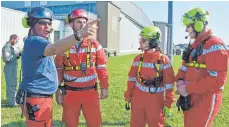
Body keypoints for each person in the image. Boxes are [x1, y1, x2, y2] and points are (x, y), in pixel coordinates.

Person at [16, 7, 99, 127]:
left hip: (40, 97)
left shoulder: (39, 41)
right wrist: (79, 35)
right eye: (42, 23)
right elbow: (55, 48)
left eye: (49, 23)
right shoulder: (34, 41)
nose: (48, 27)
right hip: (37, 98)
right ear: (31, 24)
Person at [55, 9, 109, 127]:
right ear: (71, 24)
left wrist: (104, 87)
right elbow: (59, 69)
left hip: (90, 92)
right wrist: (58, 90)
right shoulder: (64, 44)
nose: (82, 25)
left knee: (94, 123)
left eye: (84, 22)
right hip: (70, 93)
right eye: (79, 22)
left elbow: (101, 68)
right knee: (70, 123)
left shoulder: (95, 44)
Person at [176, 8, 228, 127]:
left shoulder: (215, 45)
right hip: (190, 95)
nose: (186, 30)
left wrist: (187, 88)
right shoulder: (194, 45)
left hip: (205, 99)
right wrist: (179, 80)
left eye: (188, 26)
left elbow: (217, 81)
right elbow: (184, 67)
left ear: (198, 25)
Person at [124, 26, 175, 127]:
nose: (140, 42)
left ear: (153, 42)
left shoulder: (164, 60)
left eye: (143, 40)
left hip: (155, 101)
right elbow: (131, 79)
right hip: (138, 99)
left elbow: (169, 84)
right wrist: (128, 96)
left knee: (155, 124)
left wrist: (168, 102)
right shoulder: (138, 59)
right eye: (140, 39)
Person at [2, 34, 21, 106]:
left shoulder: (11, 47)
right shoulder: (6, 47)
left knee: (13, 85)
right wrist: (16, 55)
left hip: (12, 69)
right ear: (12, 39)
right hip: (10, 69)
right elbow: (7, 59)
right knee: (11, 85)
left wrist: (18, 55)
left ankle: (12, 101)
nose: (16, 42)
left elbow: (13, 57)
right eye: (16, 41)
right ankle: (12, 103)